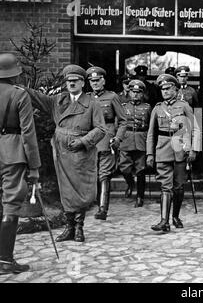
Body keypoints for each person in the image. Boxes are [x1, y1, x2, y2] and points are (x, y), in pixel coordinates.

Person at [28, 64, 107, 243]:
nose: (71, 84)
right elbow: (38, 98)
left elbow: (101, 129)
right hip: (61, 151)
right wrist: (20, 88)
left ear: (82, 83)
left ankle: (79, 227)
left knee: (80, 189)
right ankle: (69, 227)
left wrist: (83, 141)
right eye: (68, 81)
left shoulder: (92, 103)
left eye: (75, 81)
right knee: (66, 190)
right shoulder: (58, 100)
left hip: (80, 152)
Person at [0, 53, 40, 274]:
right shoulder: (19, 95)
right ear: (15, 74)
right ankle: (5, 260)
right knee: (11, 203)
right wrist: (34, 166)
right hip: (12, 152)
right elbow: (28, 134)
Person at [146, 74, 200, 232]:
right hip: (162, 148)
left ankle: (175, 216)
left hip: (180, 147)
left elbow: (195, 128)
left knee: (178, 186)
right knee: (165, 186)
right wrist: (150, 154)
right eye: (162, 89)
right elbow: (151, 133)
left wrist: (193, 149)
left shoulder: (184, 106)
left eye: (168, 88)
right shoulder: (157, 108)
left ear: (176, 90)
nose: (165, 91)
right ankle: (164, 221)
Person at [86, 66, 127, 221]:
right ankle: (91, 203)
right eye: (91, 81)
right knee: (91, 174)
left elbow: (123, 121)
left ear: (103, 80)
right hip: (89, 140)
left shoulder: (112, 97)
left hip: (106, 139)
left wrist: (117, 138)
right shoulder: (86, 97)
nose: (94, 84)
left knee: (104, 175)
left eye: (97, 80)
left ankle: (103, 208)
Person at [119, 80, 152, 208]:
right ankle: (130, 183)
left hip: (141, 139)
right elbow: (119, 124)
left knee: (141, 170)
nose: (135, 95)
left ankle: (140, 197)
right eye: (133, 92)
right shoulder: (123, 107)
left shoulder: (147, 107)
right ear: (129, 92)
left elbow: (150, 126)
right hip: (126, 139)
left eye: (138, 92)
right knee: (124, 168)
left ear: (142, 94)